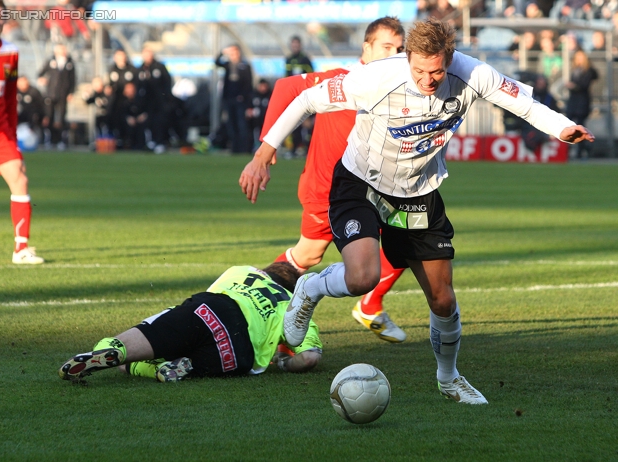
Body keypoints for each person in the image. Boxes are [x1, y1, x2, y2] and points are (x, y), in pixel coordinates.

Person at [244, 19, 594, 405]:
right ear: (407, 58)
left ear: (450, 59)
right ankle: (310, 289)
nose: (428, 79)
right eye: (420, 70)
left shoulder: (474, 73)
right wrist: (264, 152)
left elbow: (523, 103)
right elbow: (306, 99)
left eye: (437, 71)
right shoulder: (377, 78)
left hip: (418, 191)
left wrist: (561, 128)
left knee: (442, 299)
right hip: (361, 180)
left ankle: (449, 378)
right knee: (362, 276)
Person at [240, 17, 407, 344]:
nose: (394, 54)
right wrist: (266, 150)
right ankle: (247, 307)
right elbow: (286, 88)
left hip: (370, 190)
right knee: (308, 255)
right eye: (387, 47)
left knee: (410, 236)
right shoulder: (343, 78)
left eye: (400, 49)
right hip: (328, 190)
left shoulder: (398, 84)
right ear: (367, 47)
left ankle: (369, 305)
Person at [58, 262, 322, 382]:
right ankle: (174, 369)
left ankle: (115, 349)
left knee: (138, 349)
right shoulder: (295, 304)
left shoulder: (243, 271)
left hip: (211, 310)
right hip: (237, 355)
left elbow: (209, 297)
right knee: (199, 362)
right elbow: (309, 357)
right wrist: (284, 362)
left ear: (266, 271)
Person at [0, 0, 44, 264]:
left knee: (19, 178)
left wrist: (11, 134)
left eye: (0, 17)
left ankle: (21, 250)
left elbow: (9, 96)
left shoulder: (11, 52)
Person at [215, 44, 253, 154]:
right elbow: (217, 62)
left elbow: (248, 84)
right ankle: (234, 148)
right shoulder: (228, 65)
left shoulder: (244, 66)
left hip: (240, 101)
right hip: (229, 99)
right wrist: (222, 52)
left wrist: (245, 98)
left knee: (241, 125)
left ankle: (244, 149)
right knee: (231, 125)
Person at [37, 43, 75, 149]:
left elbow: (73, 79)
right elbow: (40, 73)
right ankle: (50, 140)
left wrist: (71, 92)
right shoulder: (51, 61)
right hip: (51, 94)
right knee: (50, 116)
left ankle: (62, 141)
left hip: (63, 94)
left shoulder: (70, 63)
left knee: (62, 117)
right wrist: (42, 79)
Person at [138, 47, 173, 154]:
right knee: (148, 122)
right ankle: (151, 142)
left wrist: (166, 98)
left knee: (160, 122)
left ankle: (160, 142)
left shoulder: (160, 67)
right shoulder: (141, 69)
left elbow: (167, 83)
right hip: (147, 102)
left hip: (160, 102)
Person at [565, 50, 598, 158]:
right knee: (569, 126)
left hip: (582, 103)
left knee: (581, 127)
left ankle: (580, 151)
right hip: (573, 102)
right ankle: (568, 150)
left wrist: (574, 86)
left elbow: (584, 86)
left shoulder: (588, 71)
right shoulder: (575, 70)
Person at [285, 36, 314, 157]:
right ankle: (294, 149)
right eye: (293, 44)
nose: (295, 47)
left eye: (297, 44)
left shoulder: (305, 59)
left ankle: (308, 149)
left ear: (300, 45)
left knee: (307, 123)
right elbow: (287, 77)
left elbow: (311, 77)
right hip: (293, 96)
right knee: (294, 123)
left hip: (305, 95)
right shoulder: (289, 59)